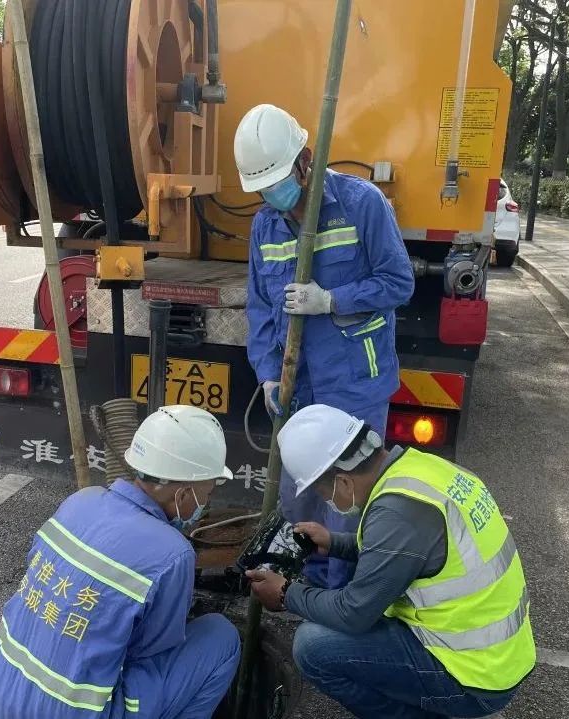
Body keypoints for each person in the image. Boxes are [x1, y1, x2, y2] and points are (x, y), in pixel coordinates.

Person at [247, 404, 534, 719]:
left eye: (322, 492)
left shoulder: (397, 513)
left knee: (312, 647)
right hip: (497, 657)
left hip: (472, 677)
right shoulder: (420, 470)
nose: (327, 502)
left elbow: (352, 613)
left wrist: (288, 593)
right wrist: (334, 543)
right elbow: (402, 553)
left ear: (343, 482)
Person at [234, 103, 415, 589]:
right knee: (301, 497)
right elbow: (260, 313)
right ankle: (302, 589)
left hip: (355, 381)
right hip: (299, 386)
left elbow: (398, 283)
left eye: (277, 180)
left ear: (305, 159)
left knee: (350, 501)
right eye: (262, 187)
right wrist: (268, 374)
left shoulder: (361, 204)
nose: (273, 193)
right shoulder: (265, 227)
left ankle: (345, 597)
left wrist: (332, 299)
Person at [0, 405, 241, 718]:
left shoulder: (80, 502)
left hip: (1, 692)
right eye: (206, 493)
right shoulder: (173, 553)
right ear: (183, 494)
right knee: (220, 636)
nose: (204, 504)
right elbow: (150, 653)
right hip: (78, 713)